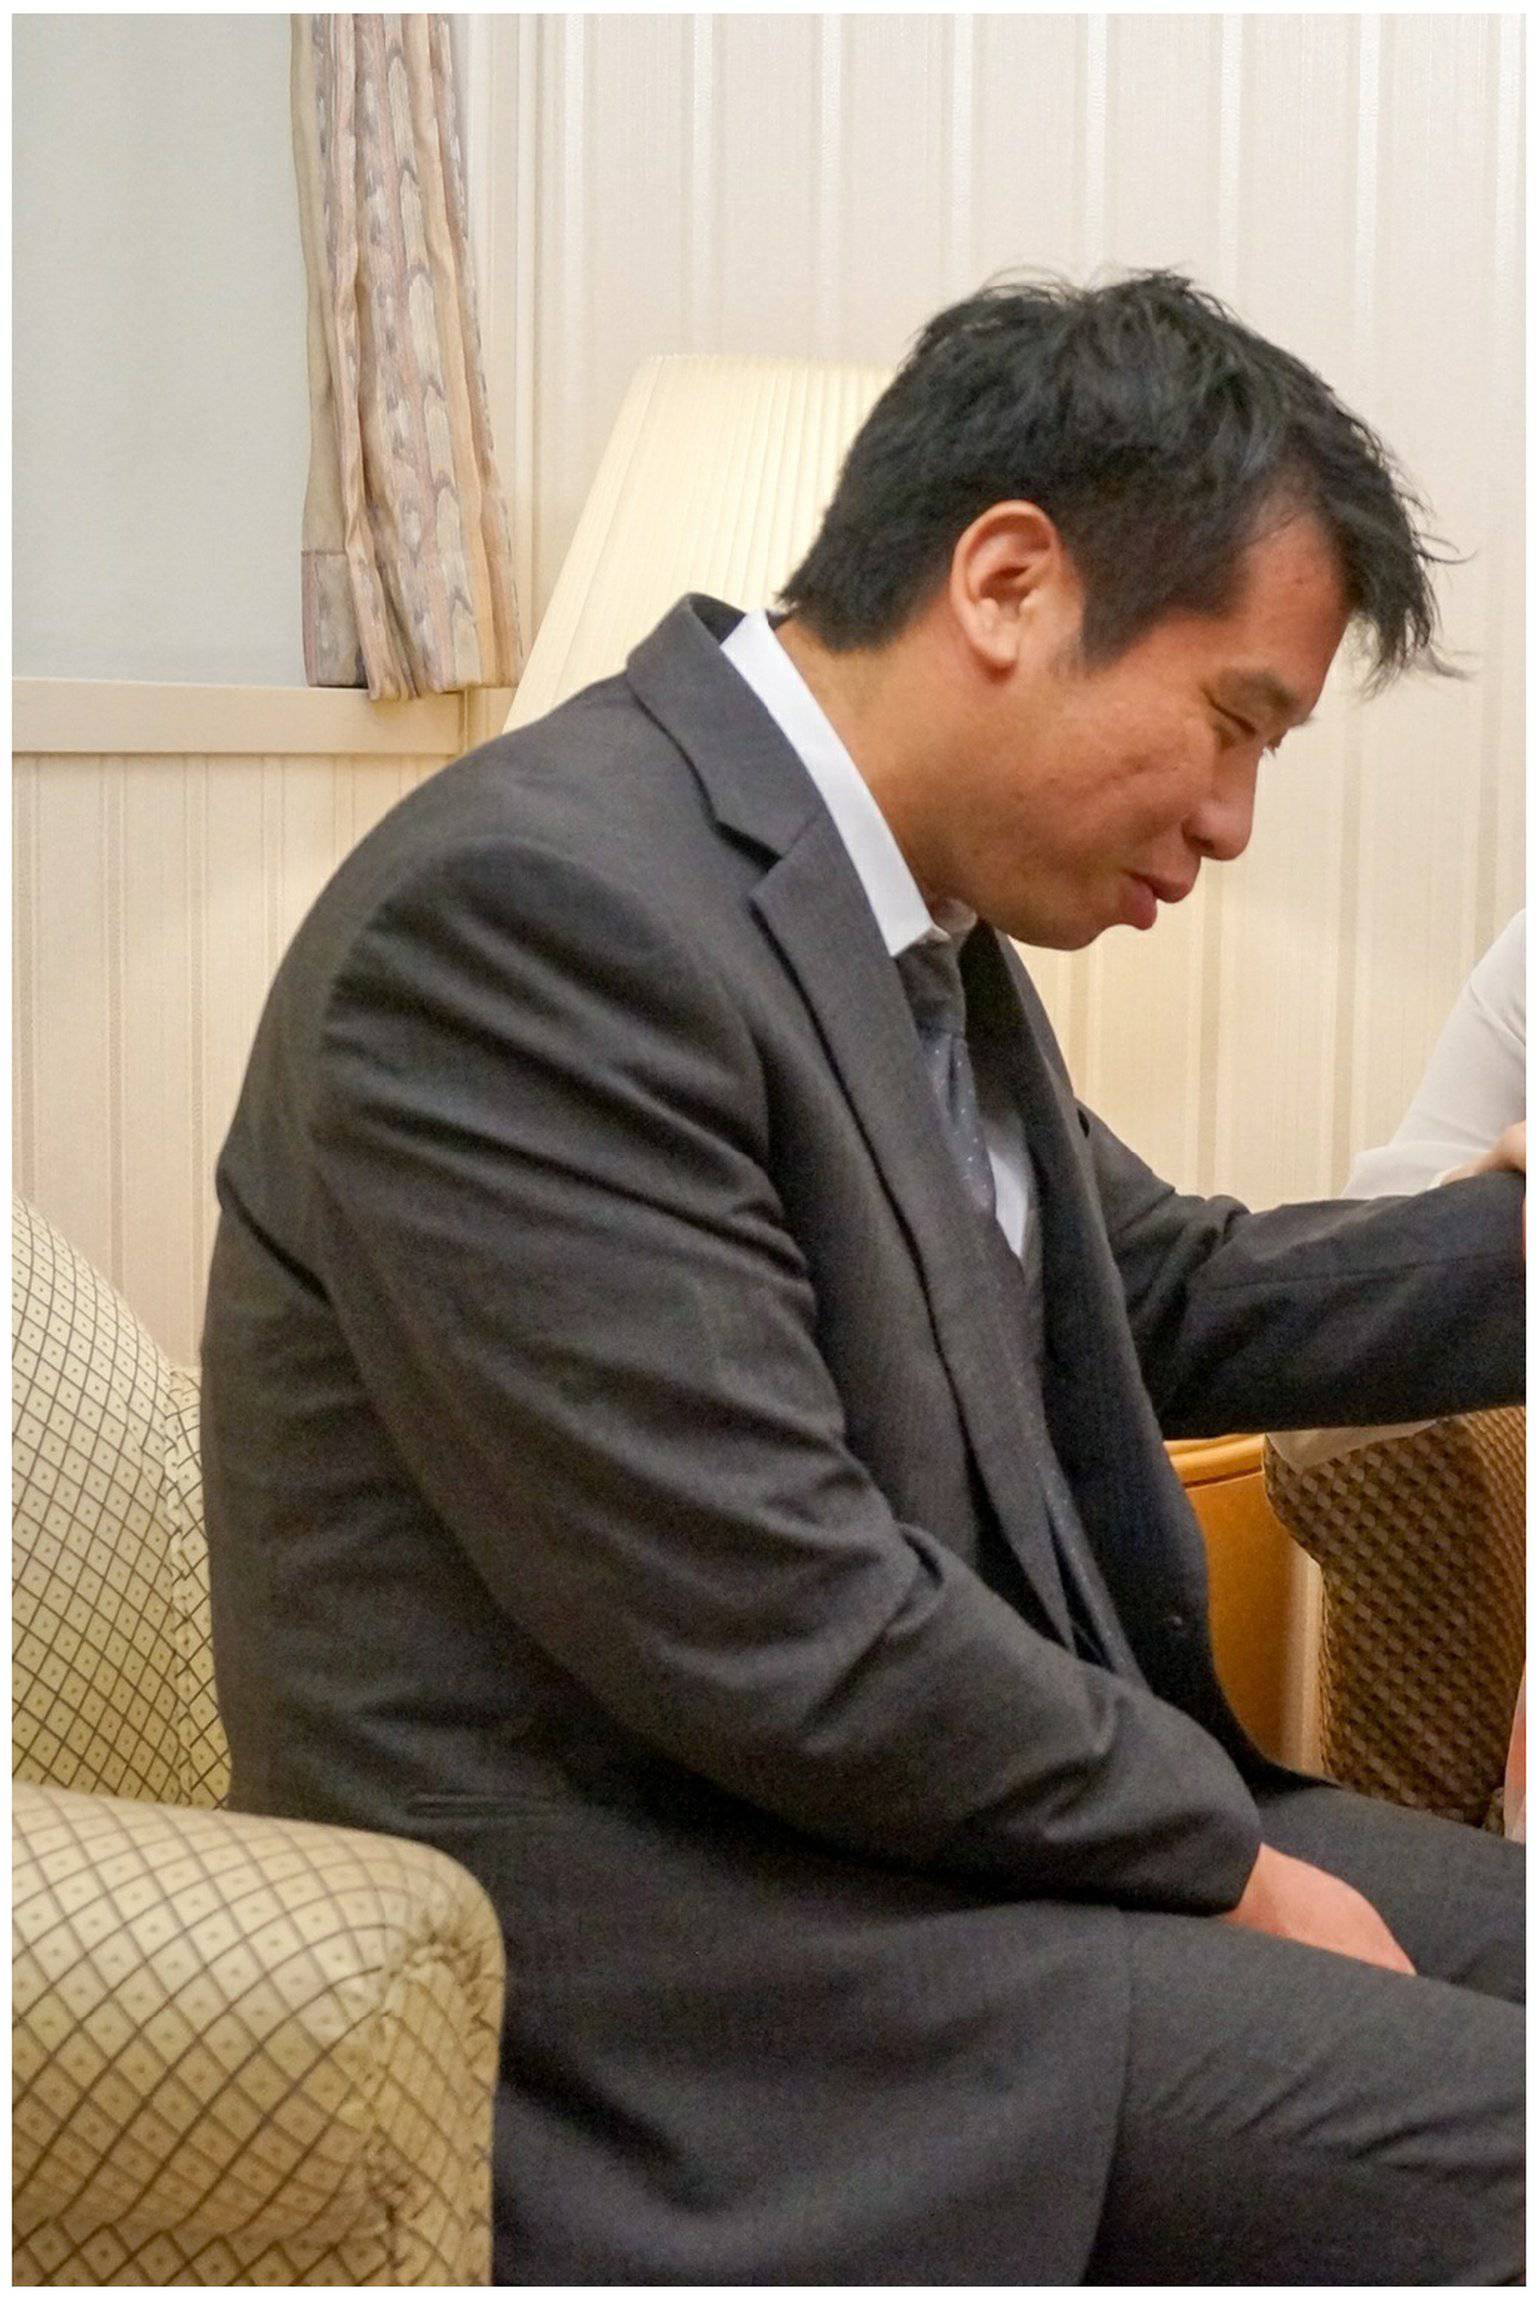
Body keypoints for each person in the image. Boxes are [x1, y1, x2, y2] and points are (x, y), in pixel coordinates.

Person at [201, 273, 1524, 2285]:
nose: (1233, 821)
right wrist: (1224, 1863)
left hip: (932, 1863)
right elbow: (779, 1615)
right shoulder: (532, 915)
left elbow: (1158, 1297)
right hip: (724, 1985)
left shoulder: (888, 915)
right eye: (1233, 722)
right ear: (1007, 585)